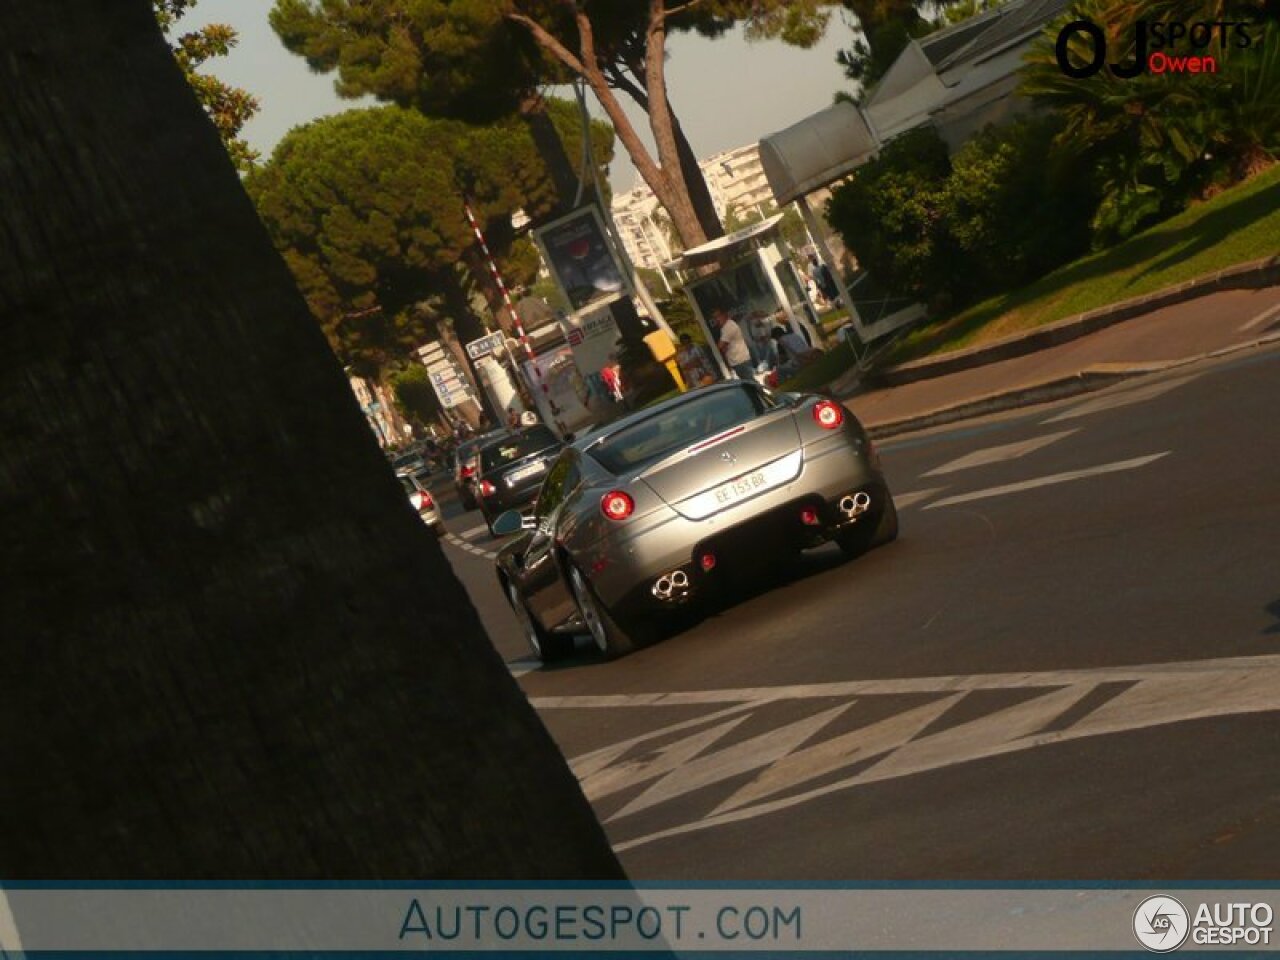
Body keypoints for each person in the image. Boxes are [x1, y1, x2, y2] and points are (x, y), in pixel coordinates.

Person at [712, 307, 755, 382]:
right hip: (737, 361)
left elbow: (720, 346)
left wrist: (722, 346)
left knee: (750, 383)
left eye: (718, 316)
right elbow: (723, 347)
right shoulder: (724, 328)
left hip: (741, 360)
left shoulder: (729, 326)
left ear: (724, 315)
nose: (717, 319)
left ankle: (762, 393)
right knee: (747, 384)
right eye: (715, 317)